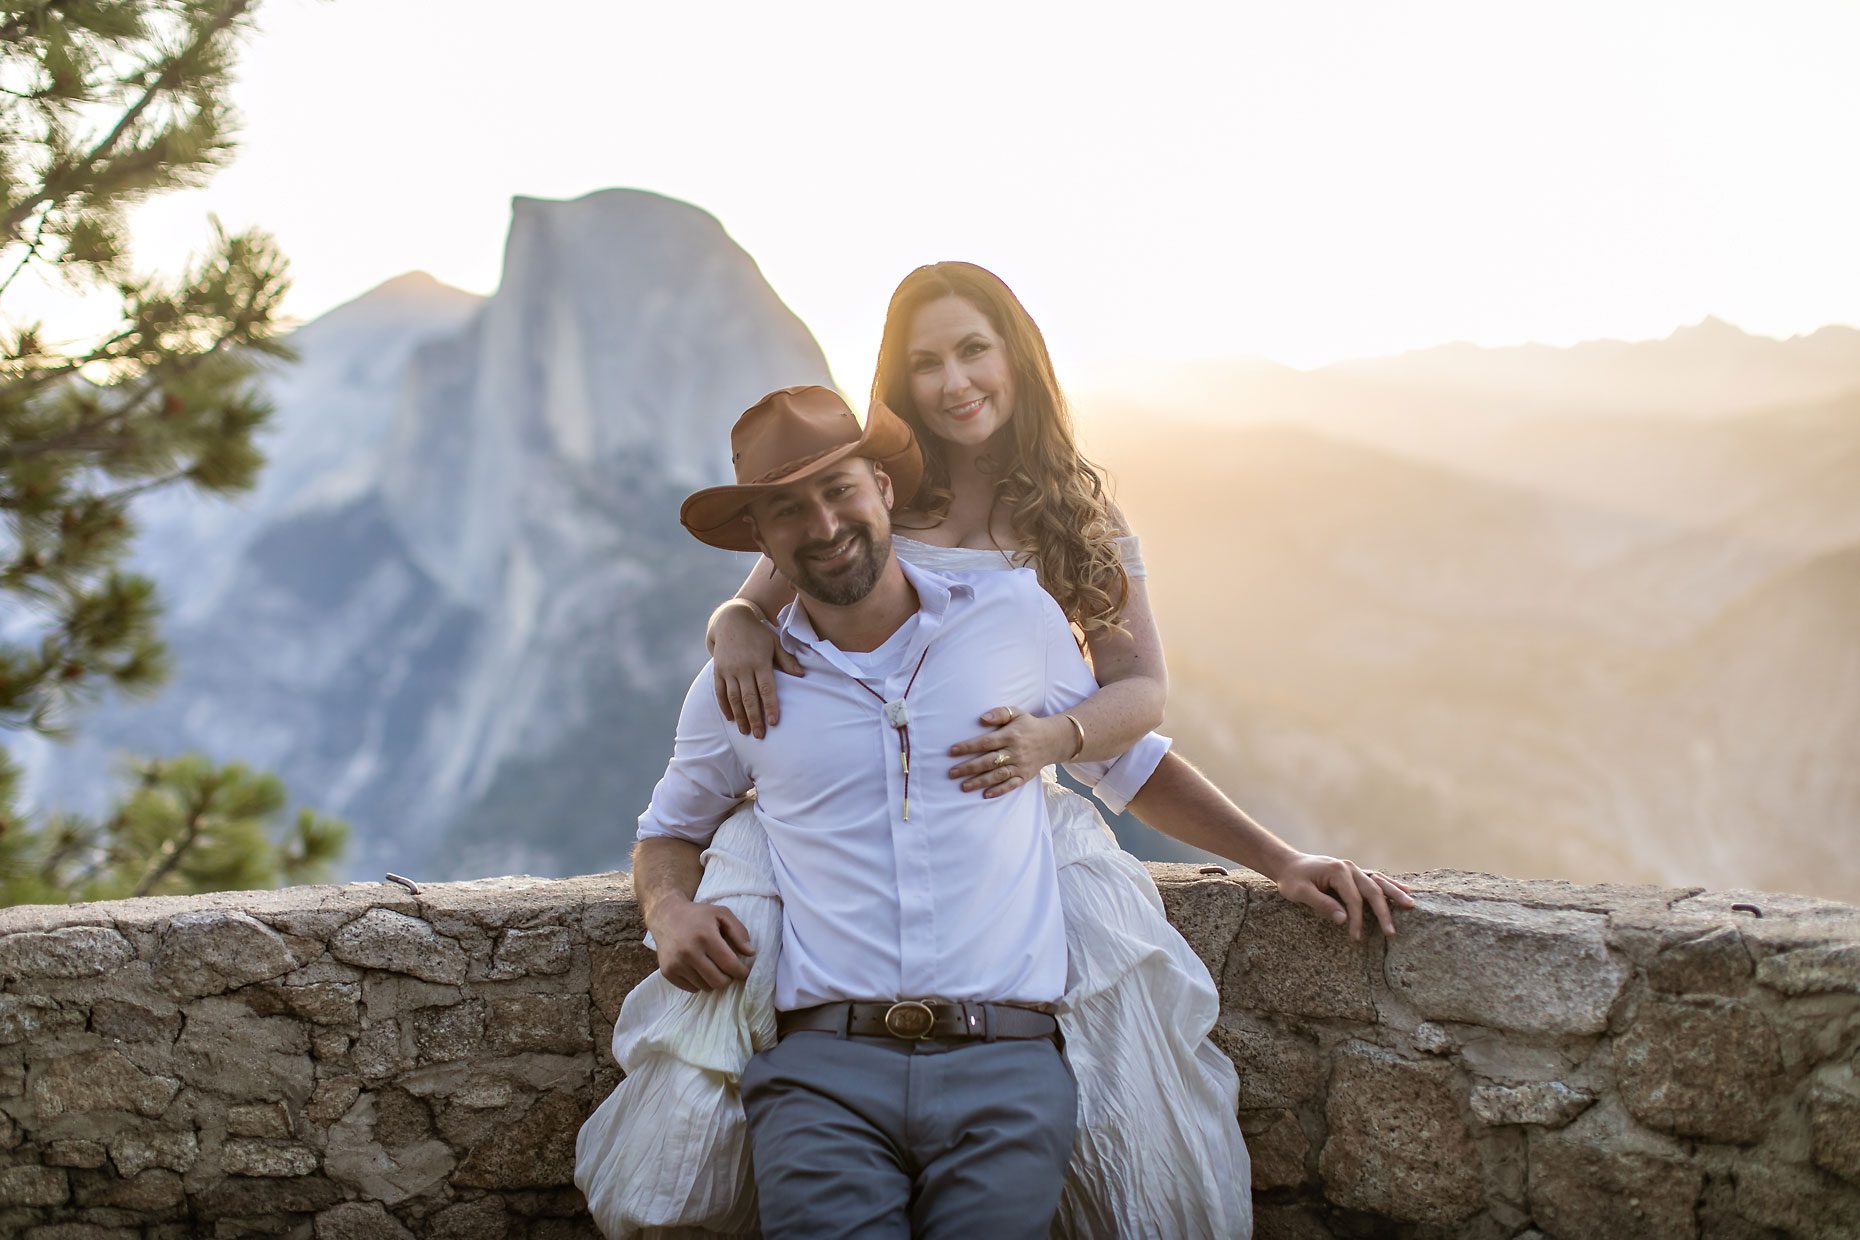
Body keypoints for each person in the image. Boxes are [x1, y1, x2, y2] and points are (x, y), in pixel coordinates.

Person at [594, 384, 1174, 1237]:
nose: (824, 525)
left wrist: (1285, 862)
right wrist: (671, 910)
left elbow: (1124, 752)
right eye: (788, 509)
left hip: (1006, 1068)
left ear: (886, 492)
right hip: (821, 1076)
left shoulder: (1015, 620)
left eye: (840, 491)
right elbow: (668, 831)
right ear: (758, 537)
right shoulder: (739, 688)